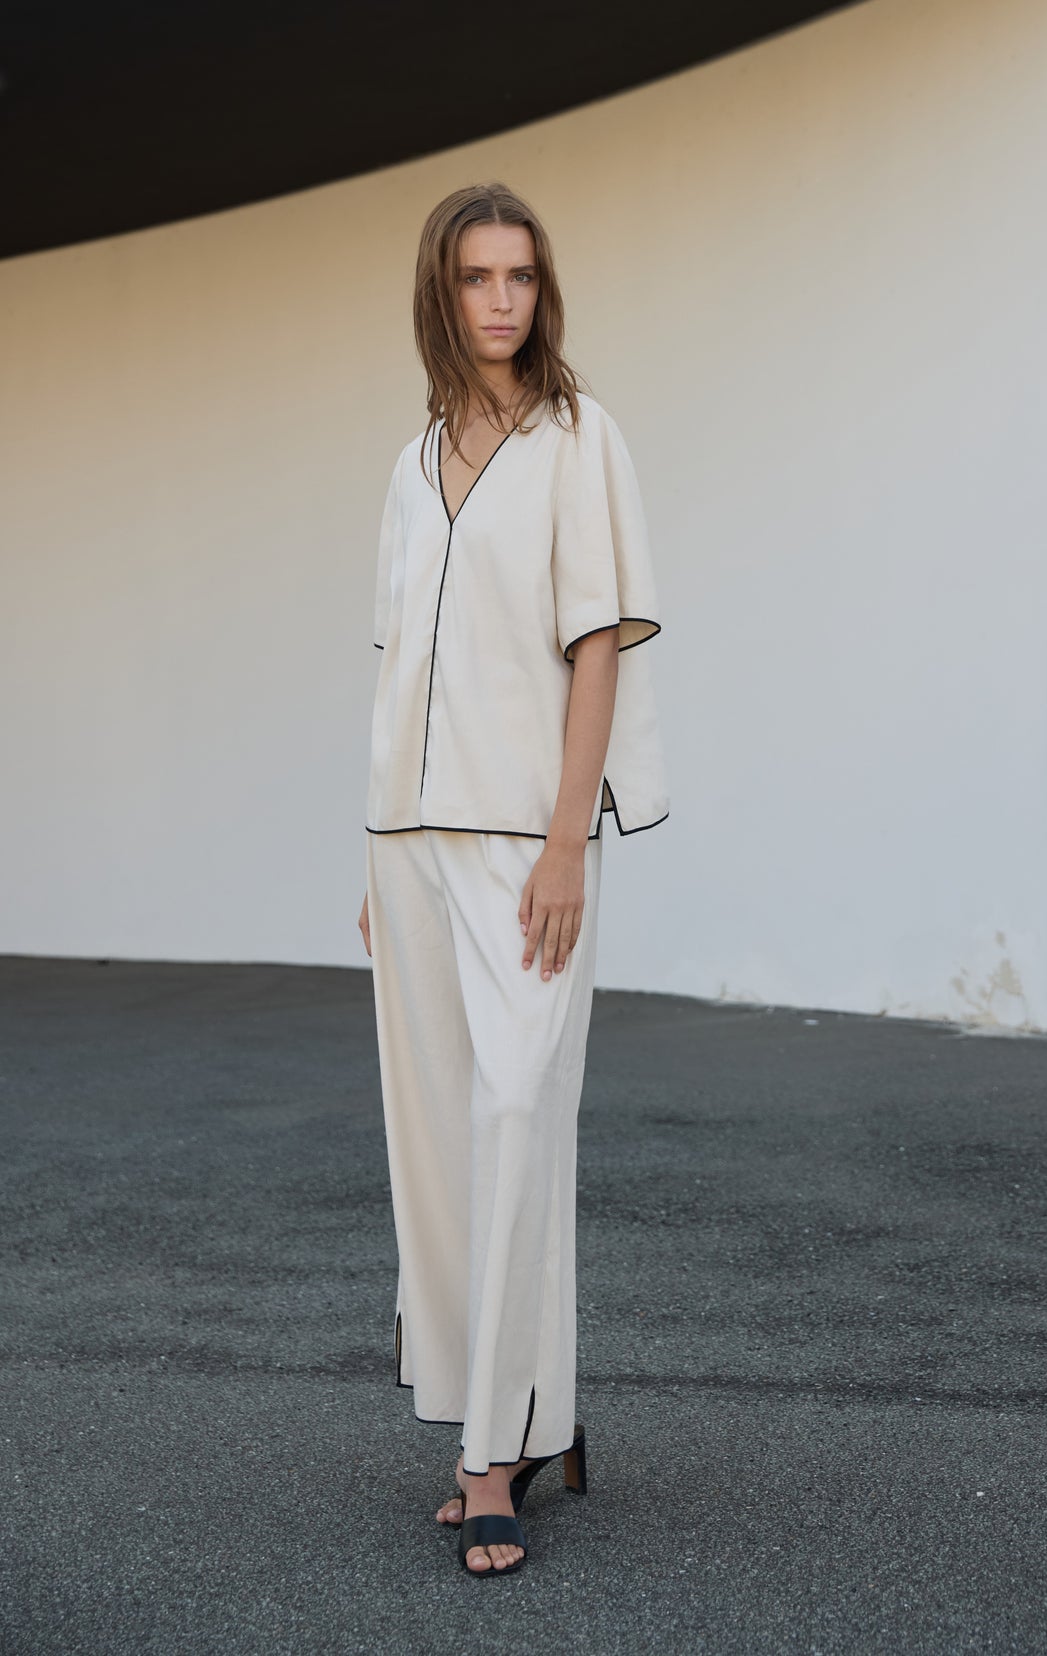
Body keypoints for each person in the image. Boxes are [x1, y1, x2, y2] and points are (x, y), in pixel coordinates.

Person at [357, 181, 668, 1576]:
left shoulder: (578, 437)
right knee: (439, 1142)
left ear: (543, 291)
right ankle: (537, 1414)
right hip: (410, 845)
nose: (502, 300)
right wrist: (374, 850)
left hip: (521, 846)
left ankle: (497, 1453)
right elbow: (394, 668)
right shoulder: (412, 461)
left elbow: (599, 644)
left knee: (518, 1111)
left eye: (522, 276)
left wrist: (564, 844)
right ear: (444, 290)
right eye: (478, 277)